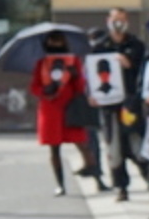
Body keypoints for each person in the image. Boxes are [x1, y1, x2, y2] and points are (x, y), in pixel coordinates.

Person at [28, 33, 99, 195]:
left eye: (59, 41)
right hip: (50, 110)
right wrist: (44, 90)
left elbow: (81, 87)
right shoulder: (41, 63)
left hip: (70, 109)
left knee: (83, 144)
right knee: (54, 149)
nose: (56, 45)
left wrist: (75, 76)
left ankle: (97, 178)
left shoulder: (72, 61)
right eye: (52, 41)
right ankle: (60, 184)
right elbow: (34, 86)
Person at [96, 7, 149, 202]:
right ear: (108, 20)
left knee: (137, 145)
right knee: (114, 148)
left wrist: (129, 64)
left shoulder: (136, 45)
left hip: (131, 104)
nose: (118, 23)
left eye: (122, 20)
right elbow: (92, 74)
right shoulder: (100, 46)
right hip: (109, 106)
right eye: (115, 19)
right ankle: (121, 187)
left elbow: (144, 72)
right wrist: (93, 95)